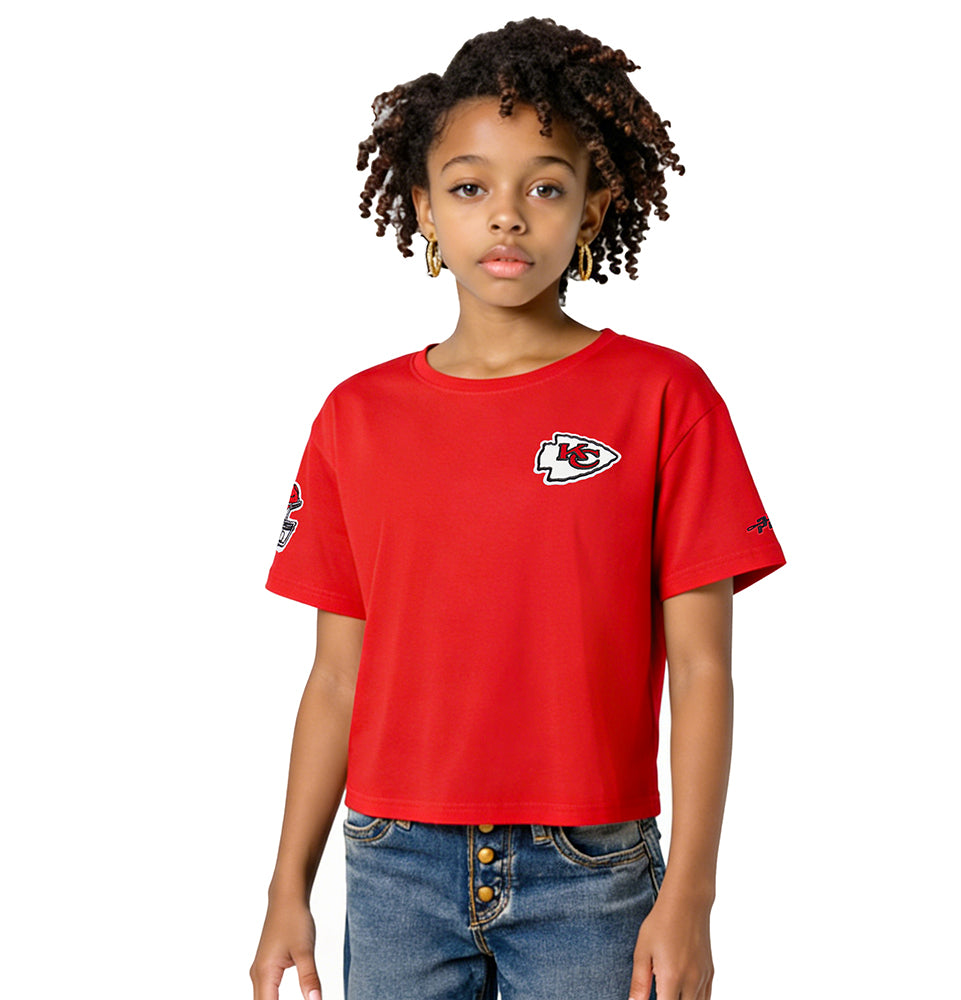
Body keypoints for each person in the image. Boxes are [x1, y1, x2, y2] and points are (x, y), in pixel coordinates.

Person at [249, 17, 785, 1000]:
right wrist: (289, 883)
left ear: (592, 207)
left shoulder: (665, 398)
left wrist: (692, 897)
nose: (506, 216)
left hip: (591, 870)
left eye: (543, 187)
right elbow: (335, 677)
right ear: (423, 207)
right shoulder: (356, 416)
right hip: (395, 865)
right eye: (469, 188)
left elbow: (704, 667)